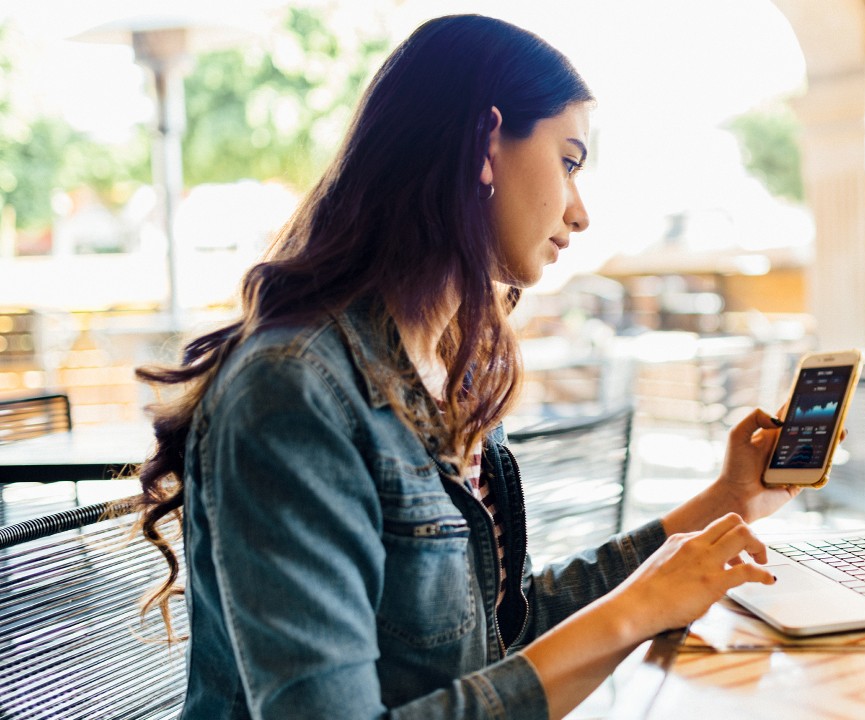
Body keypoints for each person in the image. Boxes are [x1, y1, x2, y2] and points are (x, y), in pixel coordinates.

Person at [131, 13, 803, 720]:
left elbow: (501, 632)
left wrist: (728, 498)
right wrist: (635, 612)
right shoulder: (293, 392)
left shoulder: (453, 368)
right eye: (568, 161)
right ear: (486, 143)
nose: (580, 212)